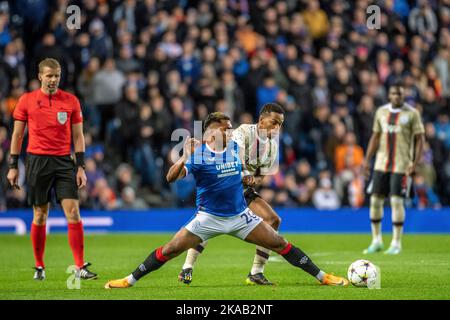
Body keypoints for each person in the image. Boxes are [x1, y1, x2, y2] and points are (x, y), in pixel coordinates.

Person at [104, 112, 348, 289]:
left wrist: (248, 178)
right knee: (169, 250)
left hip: (241, 216)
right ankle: (129, 280)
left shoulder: (234, 148)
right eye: (225, 128)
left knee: (280, 242)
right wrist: (184, 157)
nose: (230, 132)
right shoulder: (199, 155)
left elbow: (238, 171)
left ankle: (323, 277)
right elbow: (170, 178)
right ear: (211, 131)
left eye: (230, 128)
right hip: (208, 218)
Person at [6, 58, 97, 280]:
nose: (53, 80)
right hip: (37, 161)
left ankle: (79, 266)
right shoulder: (26, 101)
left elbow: (78, 136)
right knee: (40, 214)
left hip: (64, 162)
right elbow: (18, 135)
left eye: (56, 75)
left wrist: (81, 167)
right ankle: (39, 266)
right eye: (49, 76)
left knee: (73, 212)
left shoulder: (71, 101)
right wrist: (12, 166)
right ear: (40, 77)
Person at [178, 103, 284, 286]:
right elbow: (234, 156)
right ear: (261, 120)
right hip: (223, 183)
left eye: (280, 124)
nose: (277, 128)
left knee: (273, 220)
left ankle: (256, 273)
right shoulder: (243, 131)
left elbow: (260, 176)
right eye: (274, 122)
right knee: (208, 225)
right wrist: (244, 174)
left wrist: (253, 180)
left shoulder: (273, 147)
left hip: (242, 189)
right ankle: (187, 267)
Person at [363, 82, 425, 255]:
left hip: (402, 165)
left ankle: (396, 242)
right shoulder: (381, 112)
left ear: (403, 95)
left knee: (397, 202)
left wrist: (415, 162)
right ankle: (376, 240)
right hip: (381, 164)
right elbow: (375, 136)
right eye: (394, 93)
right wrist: (367, 160)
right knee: (375, 200)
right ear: (389, 95)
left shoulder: (412, 114)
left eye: (400, 94)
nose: (397, 96)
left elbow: (420, 139)